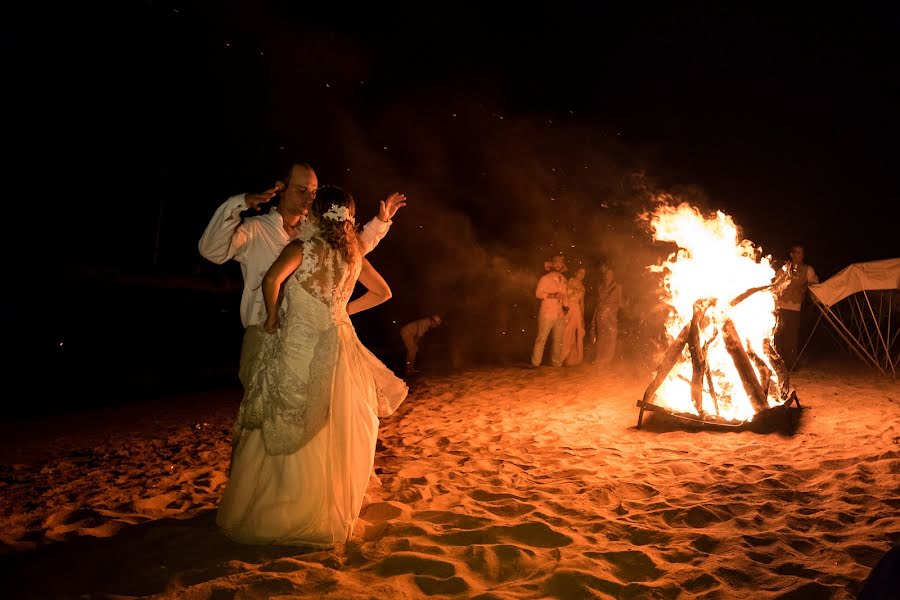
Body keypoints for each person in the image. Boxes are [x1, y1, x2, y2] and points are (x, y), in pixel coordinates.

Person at [216, 186, 408, 547]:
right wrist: (342, 312)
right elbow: (383, 292)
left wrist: (272, 316)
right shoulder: (352, 254)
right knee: (332, 421)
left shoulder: (302, 248)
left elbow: (272, 280)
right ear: (348, 217)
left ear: (317, 214)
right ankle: (328, 502)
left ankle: (283, 505)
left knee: (287, 414)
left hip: (298, 344)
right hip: (337, 343)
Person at [198, 162, 406, 389]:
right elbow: (212, 251)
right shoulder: (255, 229)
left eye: (314, 192)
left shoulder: (318, 232)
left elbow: (350, 254)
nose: (310, 198)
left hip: (309, 341)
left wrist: (381, 222)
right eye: (302, 190)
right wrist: (236, 204)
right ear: (281, 188)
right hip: (264, 333)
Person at [774, 244, 819, 371]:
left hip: (795, 306)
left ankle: (790, 365)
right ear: (791, 254)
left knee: (791, 337)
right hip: (781, 306)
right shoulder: (784, 268)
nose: (800, 255)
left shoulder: (808, 269)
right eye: (797, 252)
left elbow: (814, 284)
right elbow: (776, 283)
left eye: (802, 253)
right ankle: (777, 364)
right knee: (778, 336)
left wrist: (811, 294)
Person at [532, 255, 569, 367]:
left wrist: (566, 306)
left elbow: (565, 296)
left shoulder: (564, 280)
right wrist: (552, 295)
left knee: (558, 339)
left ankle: (556, 363)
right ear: (552, 264)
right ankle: (536, 363)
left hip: (559, 313)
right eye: (556, 262)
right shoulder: (545, 278)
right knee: (542, 337)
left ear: (562, 265)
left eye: (560, 263)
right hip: (547, 312)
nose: (558, 264)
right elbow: (538, 293)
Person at [590, 264, 622, 367]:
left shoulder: (618, 287)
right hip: (600, 314)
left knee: (611, 336)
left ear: (613, 275)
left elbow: (620, 302)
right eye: (606, 274)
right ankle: (599, 358)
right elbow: (598, 302)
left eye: (610, 274)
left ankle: (607, 360)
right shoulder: (600, 287)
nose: (608, 275)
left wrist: (613, 308)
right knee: (600, 337)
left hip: (611, 314)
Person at [561, 267, 587, 366]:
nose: (581, 275)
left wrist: (582, 317)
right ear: (576, 272)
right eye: (580, 272)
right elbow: (564, 296)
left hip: (576, 310)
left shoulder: (583, 288)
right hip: (568, 308)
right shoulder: (569, 282)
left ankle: (572, 359)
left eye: (584, 274)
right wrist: (564, 307)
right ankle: (562, 356)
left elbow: (582, 303)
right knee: (566, 332)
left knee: (576, 333)